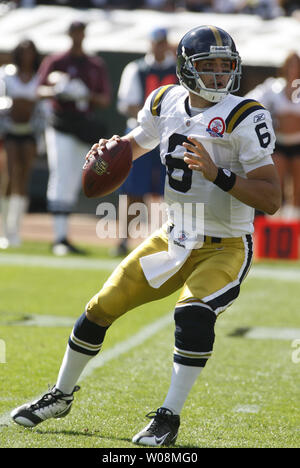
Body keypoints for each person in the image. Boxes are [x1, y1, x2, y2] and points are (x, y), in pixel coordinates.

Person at [11, 25, 281, 446]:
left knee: (191, 313)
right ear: (186, 70)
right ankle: (60, 394)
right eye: (207, 67)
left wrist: (218, 173)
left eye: (224, 66)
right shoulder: (165, 100)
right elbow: (137, 143)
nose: (217, 75)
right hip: (174, 236)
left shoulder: (246, 115)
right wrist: (110, 152)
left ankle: (168, 417)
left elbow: (271, 197)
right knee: (101, 306)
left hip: (225, 245)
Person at [37, 20, 111, 255]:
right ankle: (59, 238)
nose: (77, 36)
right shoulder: (56, 61)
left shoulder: (94, 64)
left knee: (73, 180)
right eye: (74, 32)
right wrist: (58, 91)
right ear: (69, 34)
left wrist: (85, 94)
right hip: (60, 123)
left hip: (82, 125)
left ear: (84, 34)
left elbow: (105, 99)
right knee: (60, 175)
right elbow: (38, 89)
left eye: (81, 32)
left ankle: (64, 238)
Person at [114, 27, 177, 256]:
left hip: (169, 137)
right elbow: (126, 104)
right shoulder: (136, 69)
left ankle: (165, 241)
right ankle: (123, 240)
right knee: (133, 190)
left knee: (168, 192)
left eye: (163, 42)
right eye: (156, 42)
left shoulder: (177, 70)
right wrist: (153, 115)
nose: (159, 47)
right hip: (141, 133)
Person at [246, 51, 300, 218]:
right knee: (277, 184)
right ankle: (275, 221)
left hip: (298, 143)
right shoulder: (273, 87)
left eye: (296, 64)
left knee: (297, 187)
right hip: (279, 143)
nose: (293, 67)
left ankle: (293, 224)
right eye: (290, 64)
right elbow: (251, 100)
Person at [0, 39, 42, 248]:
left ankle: (15, 230)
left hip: (30, 133)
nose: (27, 56)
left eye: (30, 52)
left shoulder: (39, 78)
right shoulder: (6, 75)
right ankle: (5, 231)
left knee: (23, 177)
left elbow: (43, 105)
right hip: (9, 132)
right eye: (23, 52)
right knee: (8, 176)